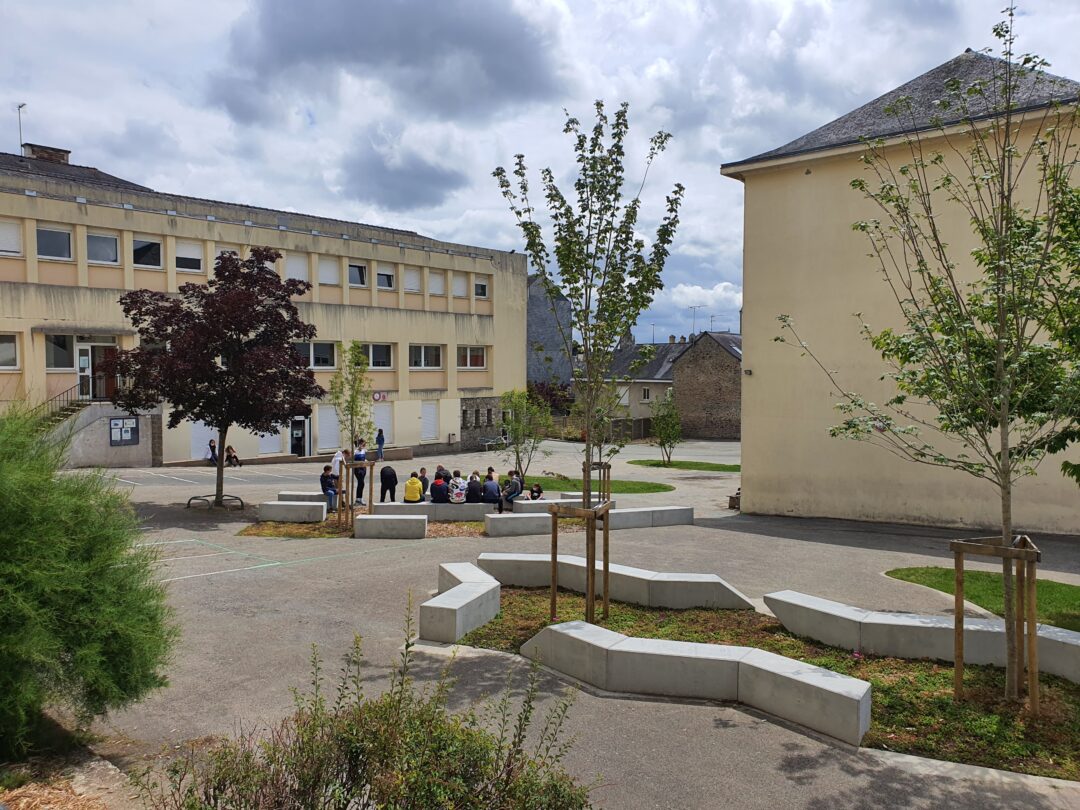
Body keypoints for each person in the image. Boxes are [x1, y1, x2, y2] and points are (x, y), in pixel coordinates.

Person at [353, 441, 367, 505]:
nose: (364, 446)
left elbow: (364, 459)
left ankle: (359, 499)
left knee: (361, 484)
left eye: (364, 445)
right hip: (357, 469)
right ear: (359, 444)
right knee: (361, 483)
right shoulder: (355, 451)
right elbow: (353, 460)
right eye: (363, 444)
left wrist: (366, 461)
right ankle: (358, 499)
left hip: (363, 468)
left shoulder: (364, 450)